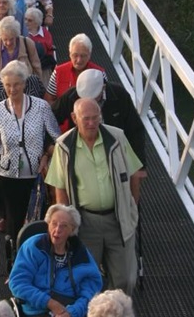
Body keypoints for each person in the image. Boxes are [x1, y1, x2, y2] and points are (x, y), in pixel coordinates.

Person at [46, 97, 142, 296]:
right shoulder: (64, 146)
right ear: (74, 118)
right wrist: (66, 224)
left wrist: (131, 207)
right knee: (87, 279)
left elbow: (135, 174)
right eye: (86, 119)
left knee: (125, 278)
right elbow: (60, 188)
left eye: (95, 118)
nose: (91, 123)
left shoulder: (117, 137)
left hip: (118, 219)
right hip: (86, 222)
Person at [9, 204, 104, 317]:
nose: (57, 230)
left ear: (72, 230)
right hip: (39, 308)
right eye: (54, 224)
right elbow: (17, 283)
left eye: (63, 226)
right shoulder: (34, 246)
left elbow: (91, 291)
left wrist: (72, 312)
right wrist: (50, 303)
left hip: (73, 305)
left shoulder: (80, 253)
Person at [0, 61, 62, 243]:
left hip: (37, 174)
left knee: (37, 220)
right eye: (7, 85)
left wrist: (46, 155)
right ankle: (15, 262)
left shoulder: (41, 107)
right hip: (7, 175)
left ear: (24, 84)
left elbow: (56, 137)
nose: (12, 89)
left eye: (16, 84)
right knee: (13, 222)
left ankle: (36, 256)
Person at [54, 68, 148, 170]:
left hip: (114, 152)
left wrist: (140, 166)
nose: (90, 103)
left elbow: (135, 130)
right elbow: (49, 118)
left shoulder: (120, 95)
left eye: (94, 97)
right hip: (82, 156)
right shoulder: (70, 97)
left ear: (103, 88)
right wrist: (52, 146)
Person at [0, 15, 45, 119]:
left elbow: (37, 69)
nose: (8, 43)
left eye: (11, 39)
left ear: (17, 35)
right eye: (5, 39)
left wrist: (39, 92)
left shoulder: (27, 44)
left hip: (24, 91)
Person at [46, 35, 104, 105]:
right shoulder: (58, 72)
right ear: (70, 54)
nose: (79, 60)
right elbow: (48, 100)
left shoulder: (100, 74)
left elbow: (105, 100)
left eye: (83, 56)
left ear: (89, 55)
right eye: (75, 55)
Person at [25, 6, 56, 72]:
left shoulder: (45, 32)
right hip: (27, 65)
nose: (26, 22)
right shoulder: (22, 32)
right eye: (25, 19)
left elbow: (49, 48)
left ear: (37, 22)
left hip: (43, 65)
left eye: (30, 20)